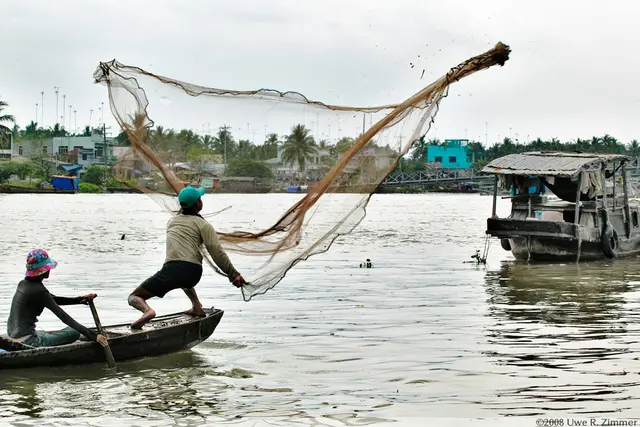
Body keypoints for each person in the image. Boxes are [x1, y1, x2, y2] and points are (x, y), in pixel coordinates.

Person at [128, 186, 247, 329]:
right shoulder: (204, 225)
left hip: (172, 270)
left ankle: (148, 311)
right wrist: (233, 274)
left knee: (134, 297)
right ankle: (197, 306)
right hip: (193, 273)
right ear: (197, 203)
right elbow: (217, 252)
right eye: (200, 199)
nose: (201, 201)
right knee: (184, 279)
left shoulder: (172, 222)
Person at [7, 249, 108, 348]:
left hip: (13, 335)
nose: (50, 270)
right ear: (43, 270)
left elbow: (53, 300)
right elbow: (64, 317)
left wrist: (79, 300)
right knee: (74, 332)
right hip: (29, 341)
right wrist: (94, 336)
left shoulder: (23, 284)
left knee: (43, 332)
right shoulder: (39, 290)